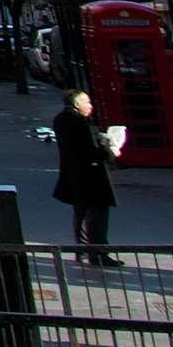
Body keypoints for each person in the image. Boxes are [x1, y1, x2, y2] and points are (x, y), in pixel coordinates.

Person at [53, 88, 125, 264]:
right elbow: (93, 150)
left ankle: (82, 250)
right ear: (77, 104)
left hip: (73, 174)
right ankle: (98, 253)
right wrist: (112, 151)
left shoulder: (61, 120)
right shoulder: (82, 123)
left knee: (81, 212)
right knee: (98, 214)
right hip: (92, 175)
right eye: (87, 102)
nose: (90, 106)